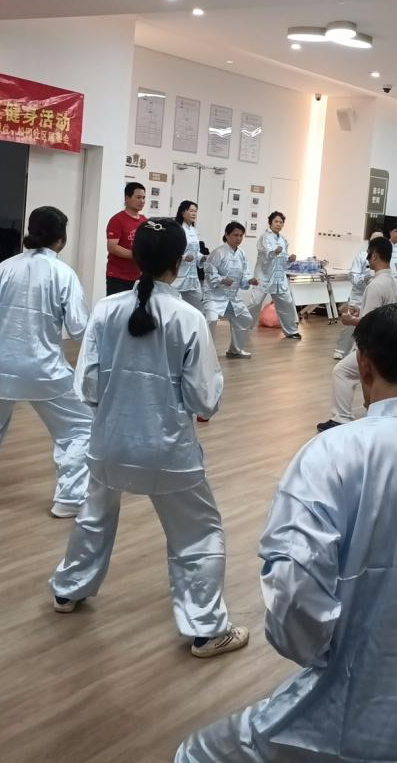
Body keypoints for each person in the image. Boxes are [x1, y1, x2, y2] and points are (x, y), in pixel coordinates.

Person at [175, 304, 397, 763]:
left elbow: (295, 588)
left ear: (363, 365)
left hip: (347, 697)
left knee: (196, 754)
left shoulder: (331, 452)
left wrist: (316, 653)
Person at [51, 219, 249, 659]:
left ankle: (68, 589)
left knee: (94, 515)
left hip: (108, 442)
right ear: (179, 263)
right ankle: (206, 629)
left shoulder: (106, 309)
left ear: (136, 258)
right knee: (199, 533)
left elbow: (87, 386)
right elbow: (203, 398)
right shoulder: (188, 317)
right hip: (168, 450)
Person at [0, 207, 93, 519]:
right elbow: (79, 328)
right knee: (79, 427)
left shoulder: (6, 267)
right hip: (44, 367)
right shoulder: (63, 273)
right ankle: (69, 498)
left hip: (1, 362)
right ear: (60, 239)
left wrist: (5, 329)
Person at [317, 236, 397, 431]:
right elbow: (380, 313)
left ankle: (341, 419)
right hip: (388, 342)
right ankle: (374, 416)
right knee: (368, 380)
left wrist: (350, 320)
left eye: (369, 255)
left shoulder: (376, 285)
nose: (367, 259)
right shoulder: (391, 282)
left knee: (341, 372)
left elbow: (369, 322)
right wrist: (359, 310)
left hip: (373, 345)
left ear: (375, 256)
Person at [204, 222, 259, 359]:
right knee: (211, 320)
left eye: (241, 235)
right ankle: (204, 354)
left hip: (231, 297)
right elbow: (209, 272)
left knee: (245, 318)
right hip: (214, 295)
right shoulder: (218, 252)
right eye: (235, 235)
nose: (238, 238)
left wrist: (249, 280)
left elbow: (244, 274)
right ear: (227, 235)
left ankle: (235, 350)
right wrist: (222, 279)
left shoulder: (241, 254)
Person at [249, 210, 302, 340]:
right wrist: (274, 252)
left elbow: (283, 262)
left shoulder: (283, 240)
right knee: (255, 303)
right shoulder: (264, 238)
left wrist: (289, 260)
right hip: (264, 276)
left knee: (286, 302)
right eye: (276, 221)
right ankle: (244, 327)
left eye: (281, 222)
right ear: (270, 223)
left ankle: (291, 331)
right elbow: (265, 256)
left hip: (279, 277)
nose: (278, 224)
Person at [333, 231, 382, 360]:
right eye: (374, 239)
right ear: (369, 241)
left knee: (371, 324)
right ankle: (341, 349)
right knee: (351, 323)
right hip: (358, 296)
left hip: (374, 296)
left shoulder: (385, 258)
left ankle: (360, 353)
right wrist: (364, 279)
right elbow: (353, 276)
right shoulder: (362, 256)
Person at [105, 181, 147, 296]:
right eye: (138, 197)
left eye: (143, 198)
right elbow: (112, 247)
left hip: (138, 276)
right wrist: (136, 255)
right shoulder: (117, 220)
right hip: (118, 277)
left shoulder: (144, 220)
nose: (142, 201)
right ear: (127, 198)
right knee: (118, 307)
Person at [173, 200, 205, 312]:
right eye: (191, 211)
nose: (194, 214)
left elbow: (196, 252)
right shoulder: (177, 230)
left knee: (200, 306)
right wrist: (183, 257)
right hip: (178, 275)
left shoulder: (194, 231)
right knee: (175, 306)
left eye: (195, 211)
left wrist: (202, 257)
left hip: (192, 276)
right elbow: (171, 251)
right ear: (183, 213)